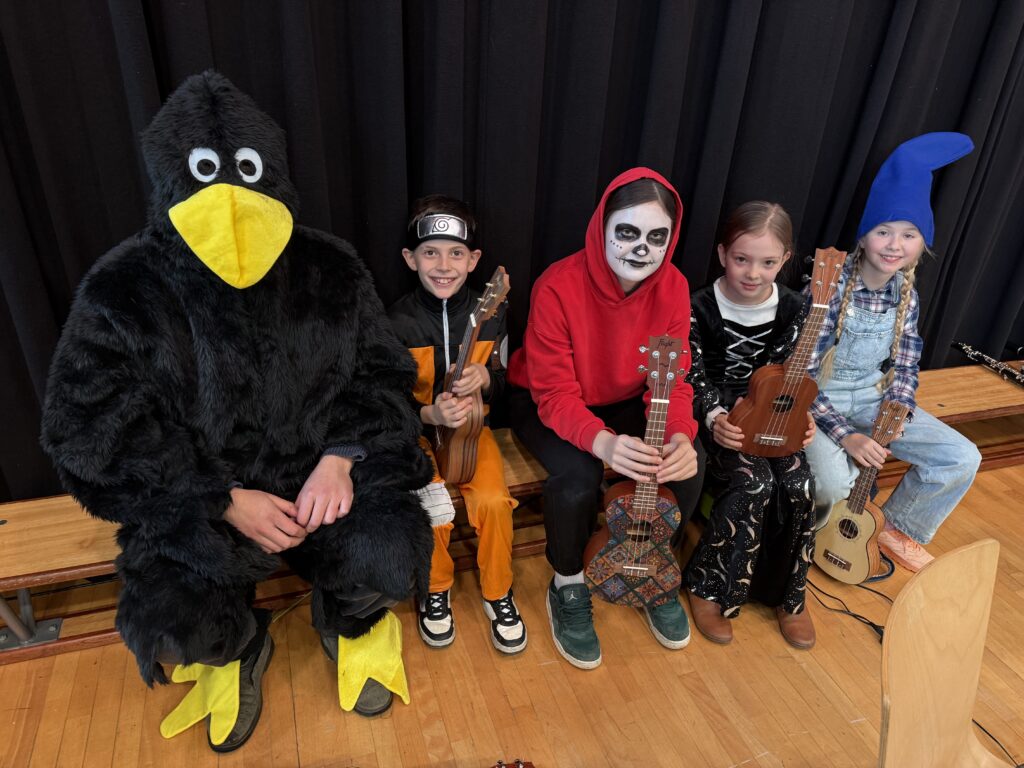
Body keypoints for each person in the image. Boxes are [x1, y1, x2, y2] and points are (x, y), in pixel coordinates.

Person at [40, 72, 433, 751]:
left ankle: (349, 621)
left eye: (246, 173)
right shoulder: (122, 288)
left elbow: (382, 377)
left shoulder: (329, 267)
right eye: (205, 176)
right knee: (175, 622)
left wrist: (342, 459)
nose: (228, 200)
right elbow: (86, 430)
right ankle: (239, 647)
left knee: (389, 551)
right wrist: (218, 498)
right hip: (204, 491)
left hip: (319, 473)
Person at [507, 167, 704, 670]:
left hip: (627, 396)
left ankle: (653, 563)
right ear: (602, 228)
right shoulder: (557, 285)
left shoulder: (674, 286)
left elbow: (673, 379)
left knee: (688, 463)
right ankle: (568, 581)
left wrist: (681, 435)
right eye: (628, 232)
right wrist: (604, 443)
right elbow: (554, 393)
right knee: (577, 479)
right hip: (546, 399)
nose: (641, 248)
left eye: (656, 237)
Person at [806, 132, 981, 573]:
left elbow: (906, 361)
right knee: (835, 484)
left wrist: (897, 408)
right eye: (883, 231)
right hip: (819, 403)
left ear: (922, 243)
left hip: (871, 399)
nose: (894, 245)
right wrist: (846, 436)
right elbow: (802, 376)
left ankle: (892, 527)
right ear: (864, 237)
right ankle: (811, 542)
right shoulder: (829, 286)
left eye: (908, 234)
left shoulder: (906, 293)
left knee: (962, 457)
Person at [387, 194, 526, 654]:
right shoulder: (394, 323)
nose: (443, 265)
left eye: (456, 253)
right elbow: (382, 402)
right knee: (433, 510)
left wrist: (486, 379)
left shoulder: (493, 313)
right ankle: (437, 587)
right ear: (410, 259)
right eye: (430, 252)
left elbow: (505, 382)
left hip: (471, 432)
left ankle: (498, 590)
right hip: (415, 439)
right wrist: (428, 414)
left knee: (494, 502)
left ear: (474, 260)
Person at [683, 201, 817, 649]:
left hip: (772, 415)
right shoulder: (697, 305)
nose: (753, 273)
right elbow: (692, 373)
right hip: (717, 417)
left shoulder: (795, 307)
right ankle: (708, 584)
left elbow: (792, 373)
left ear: (785, 260)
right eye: (742, 259)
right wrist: (715, 416)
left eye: (768, 262)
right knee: (754, 482)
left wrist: (802, 416)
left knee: (799, 484)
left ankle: (789, 593)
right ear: (723, 253)